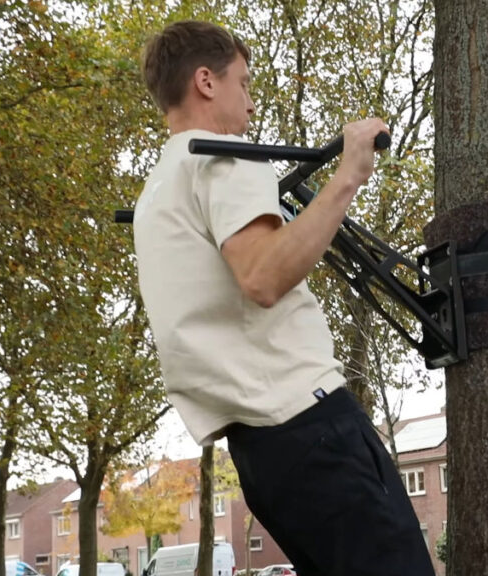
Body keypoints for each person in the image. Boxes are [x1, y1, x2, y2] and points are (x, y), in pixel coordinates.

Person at [133, 20, 434, 576]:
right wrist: (347, 175)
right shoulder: (225, 156)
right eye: (243, 83)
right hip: (310, 426)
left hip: (262, 456)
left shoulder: (156, 194)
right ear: (205, 81)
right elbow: (263, 276)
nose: (250, 102)